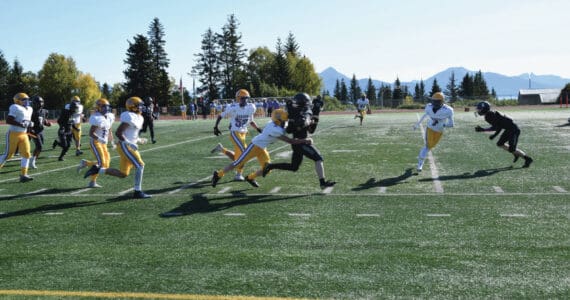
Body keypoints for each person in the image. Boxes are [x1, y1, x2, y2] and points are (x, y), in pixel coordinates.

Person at [211, 108, 312, 188]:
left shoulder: (274, 124)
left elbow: (287, 126)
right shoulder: (275, 129)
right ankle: (218, 174)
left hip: (262, 148)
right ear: (278, 120)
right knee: (238, 163)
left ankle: (250, 177)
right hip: (254, 146)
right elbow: (291, 141)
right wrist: (305, 140)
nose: (284, 123)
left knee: (267, 168)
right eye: (283, 121)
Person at [262, 93, 336, 189]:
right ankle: (322, 183)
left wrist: (313, 119)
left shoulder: (294, 111)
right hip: (300, 142)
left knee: (294, 167)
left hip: (298, 142)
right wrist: (304, 122)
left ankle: (270, 166)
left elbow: (308, 129)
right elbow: (295, 127)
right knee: (318, 158)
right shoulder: (300, 112)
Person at [83, 96, 151, 198]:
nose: (141, 107)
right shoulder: (129, 116)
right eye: (139, 106)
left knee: (123, 174)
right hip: (125, 146)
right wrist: (129, 143)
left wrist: (138, 140)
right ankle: (138, 192)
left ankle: (97, 169)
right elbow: (119, 133)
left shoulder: (138, 117)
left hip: (127, 145)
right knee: (140, 165)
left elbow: (131, 134)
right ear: (133, 107)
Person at [211, 89, 262, 181]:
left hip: (244, 133)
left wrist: (258, 129)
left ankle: (222, 149)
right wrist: (216, 127)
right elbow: (220, 115)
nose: (243, 100)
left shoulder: (251, 107)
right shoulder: (233, 107)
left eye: (244, 99)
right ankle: (238, 174)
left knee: (239, 156)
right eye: (241, 99)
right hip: (235, 132)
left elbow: (251, 121)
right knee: (245, 152)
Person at [475, 101, 533, 167]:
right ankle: (516, 153)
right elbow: (498, 126)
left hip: (514, 130)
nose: (478, 111)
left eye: (479, 109)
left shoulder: (490, 116)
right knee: (500, 144)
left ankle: (528, 159)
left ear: (484, 109)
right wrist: (493, 135)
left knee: (512, 149)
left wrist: (484, 130)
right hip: (509, 129)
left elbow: (497, 127)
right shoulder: (489, 115)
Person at [77, 98, 115, 188]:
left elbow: (109, 128)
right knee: (101, 163)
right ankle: (92, 182)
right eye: (104, 107)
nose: (106, 109)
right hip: (96, 142)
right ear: (99, 107)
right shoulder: (96, 117)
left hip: (103, 143)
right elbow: (91, 133)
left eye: (107, 107)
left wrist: (112, 140)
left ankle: (86, 163)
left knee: (106, 164)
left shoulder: (109, 116)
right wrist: (100, 139)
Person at [413, 92, 454, 172]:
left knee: (431, 146)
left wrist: (442, 124)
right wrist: (417, 125)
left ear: (442, 101)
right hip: (430, 128)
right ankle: (420, 164)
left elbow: (451, 124)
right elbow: (425, 115)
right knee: (427, 146)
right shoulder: (428, 107)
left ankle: (420, 161)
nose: (435, 103)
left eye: (437, 101)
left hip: (439, 131)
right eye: (434, 101)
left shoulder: (448, 110)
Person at [0, 93, 34, 182]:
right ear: (18, 100)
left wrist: (30, 125)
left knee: (27, 154)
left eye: (27, 99)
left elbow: (26, 121)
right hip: (13, 134)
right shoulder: (15, 107)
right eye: (24, 99)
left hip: (24, 134)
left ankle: (23, 175)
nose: (27, 101)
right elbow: (8, 120)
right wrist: (21, 124)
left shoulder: (30, 109)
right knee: (8, 155)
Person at [28, 95, 52, 169]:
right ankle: (32, 161)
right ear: (34, 103)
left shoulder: (44, 111)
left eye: (41, 102)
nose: (40, 104)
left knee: (40, 147)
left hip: (40, 131)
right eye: (38, 102)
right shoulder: (30, 111)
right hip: (32, 131)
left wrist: (47, 123)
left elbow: (43, 120)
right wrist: (30, 129)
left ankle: (33, 159)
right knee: (39, 146)